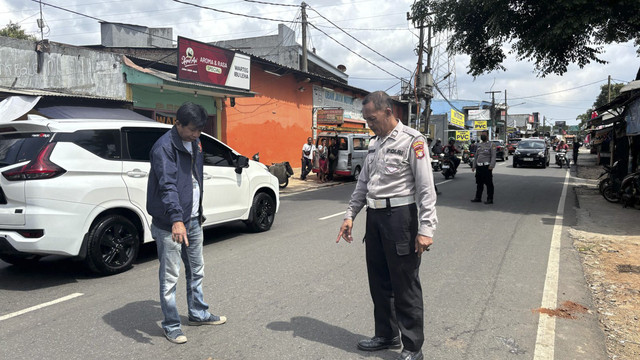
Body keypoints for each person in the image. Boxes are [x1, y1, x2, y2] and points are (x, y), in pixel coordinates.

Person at [336, 91, 437, 360]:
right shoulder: (374, 144)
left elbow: (426, 188)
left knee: (405, 285)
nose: (369, 123)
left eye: (372, 118)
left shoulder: (412, 141)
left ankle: (413, 347)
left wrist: (426, 229)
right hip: (376, 219)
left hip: (400, 219)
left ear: (389, 112)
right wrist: (350, 215)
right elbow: (363, 184)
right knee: (379, 282)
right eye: (366, 119)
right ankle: (386, 334)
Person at [147, 102, 227, 345]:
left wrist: (196, 213)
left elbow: (193, 180)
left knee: (196, 270)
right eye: (192, 130)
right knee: (170, 277)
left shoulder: (196, 142)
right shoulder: (164, 148)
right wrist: (176, 220)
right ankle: (171, 325)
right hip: (171, 224)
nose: (195, 135)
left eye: (199, 130)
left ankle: (198, 313)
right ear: (177, 124)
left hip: (192, 220)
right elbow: (168, 186)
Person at [471, 131, 496, 204]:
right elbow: (476, 156)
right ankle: (478, 197)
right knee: (479, 183)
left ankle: (490, 199)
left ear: (488, 136)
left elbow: (493, 156)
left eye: (484, 135)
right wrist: (474, 166)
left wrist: (491, 165)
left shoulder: (492, 145)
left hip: (486, 167)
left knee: (489, 184)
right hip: (479, 166)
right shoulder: (479, 145)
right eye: (482, 135)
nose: (482, 136)